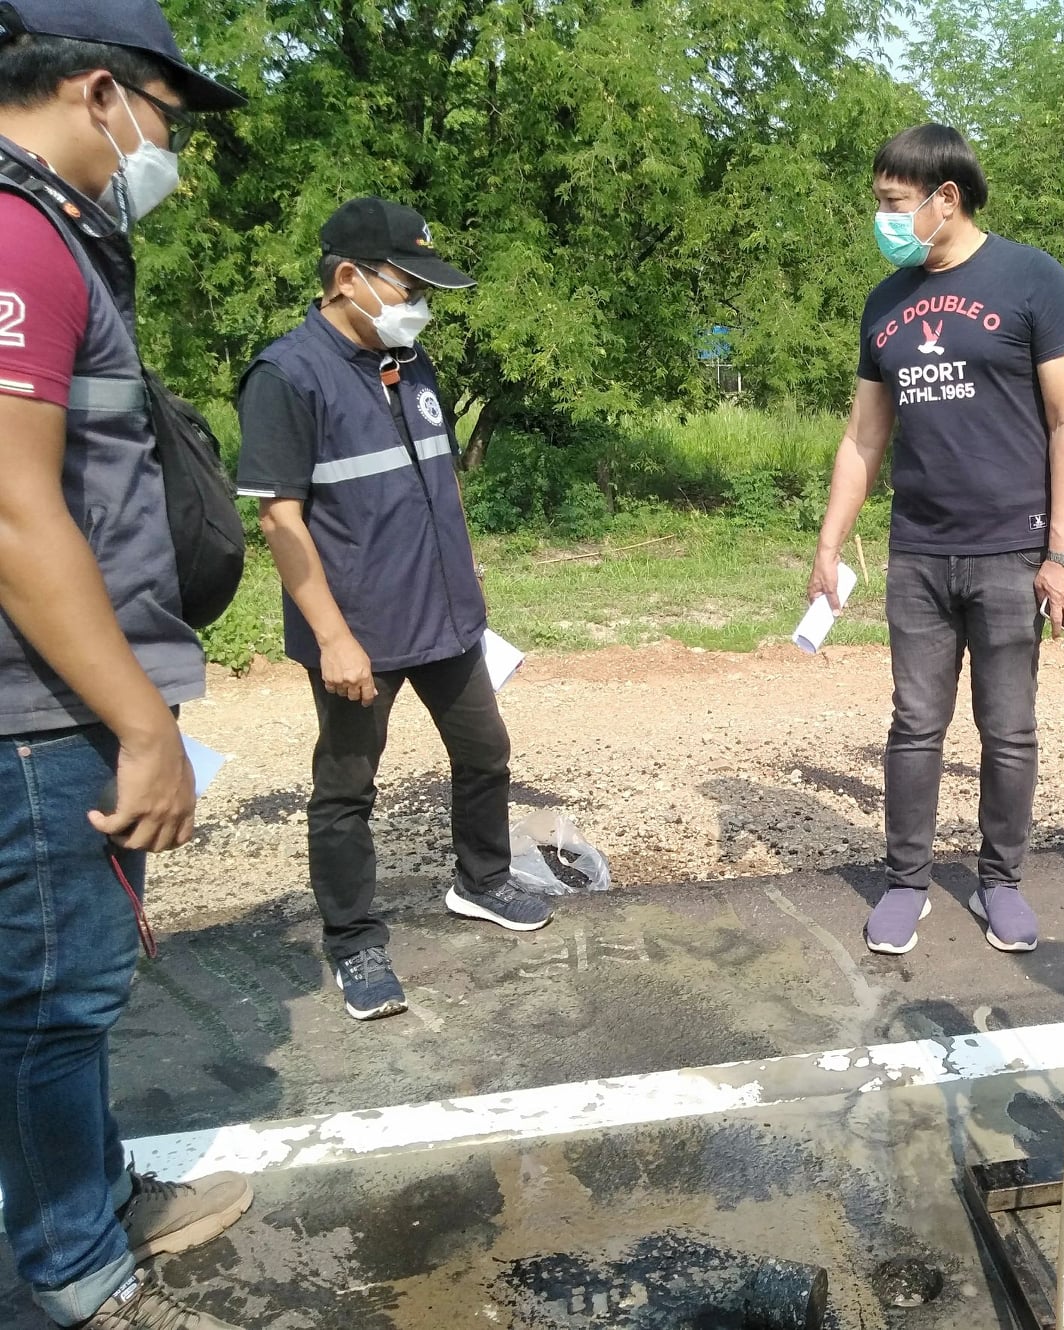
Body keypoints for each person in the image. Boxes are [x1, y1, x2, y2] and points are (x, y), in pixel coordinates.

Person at [0, 4, 257, 1327]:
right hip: (40, 711)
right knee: (55, 994)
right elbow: (13, 511)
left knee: (66, 983)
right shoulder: (16, 239)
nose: (169, 151)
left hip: (57, 696)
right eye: (167, 119)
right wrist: (142, 726)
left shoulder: (53, 236)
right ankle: (70, 1268)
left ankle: (90, 1195)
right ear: (99, 92)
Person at [236, 198, 551, 1024]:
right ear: (349, 278)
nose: (420, 304)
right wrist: (333, 638)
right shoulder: (287, 376)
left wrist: (467, 581)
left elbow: (438, 481)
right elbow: (280, 520)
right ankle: (353, 942)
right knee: (347, 787)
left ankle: (481, 881)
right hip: (358, 632)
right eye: (409, 287)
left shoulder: (409, 363)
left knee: (485, 753)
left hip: (444, 615)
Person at [807, 123, 1064, 956]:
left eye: (894, 202)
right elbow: (863, 437)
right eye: (878, 203)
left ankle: (1000, 881)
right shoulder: (886, 301)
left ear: (946, 198)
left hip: (1012, 549)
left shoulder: (1031, 279)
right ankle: (906, 882)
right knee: (914, 725)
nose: (883, 219)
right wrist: (829, 543)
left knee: (1008, 730)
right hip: (919, 553)